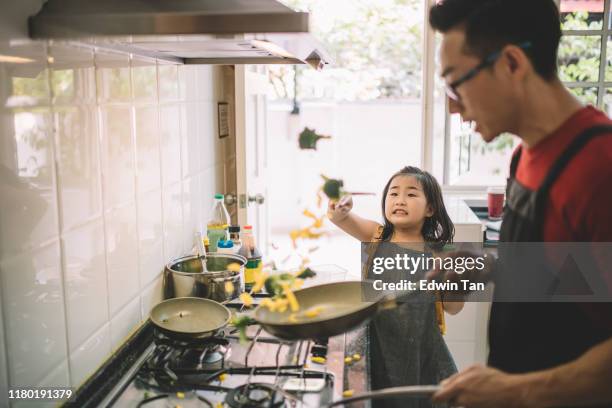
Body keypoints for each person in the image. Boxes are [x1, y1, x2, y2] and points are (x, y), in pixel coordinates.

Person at [426, 0, 612, 407]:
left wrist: (516, 390)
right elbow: (577, 280)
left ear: (512, 63)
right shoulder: (522, 156)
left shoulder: (601, 166)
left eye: (456, 82)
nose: (452, 105)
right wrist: (487, 266)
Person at [328, 166, 463, 407]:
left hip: (421, 351)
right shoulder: (375, 236)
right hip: (376, 345)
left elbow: (454, 307)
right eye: (393, 193)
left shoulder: (440, 253)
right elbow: (339, 218)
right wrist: (341, 207)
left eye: (411, 194)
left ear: (430, 208)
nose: (400, 200)